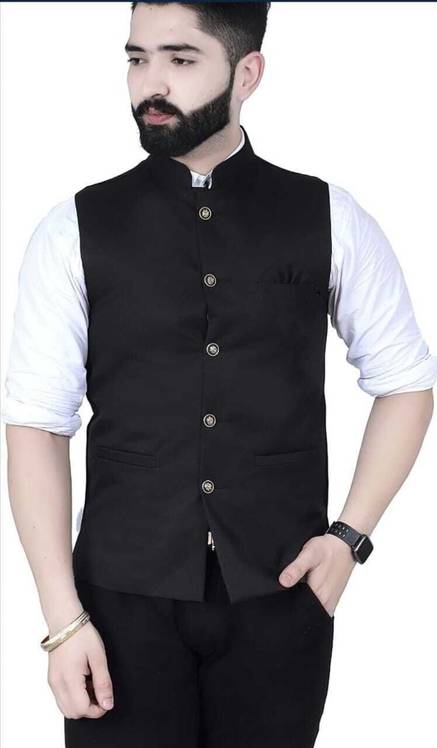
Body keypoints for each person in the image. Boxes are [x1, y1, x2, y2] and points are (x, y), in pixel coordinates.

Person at [2, 3, 436, 747]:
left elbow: (405, 382)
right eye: (136, 59)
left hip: (282, 594)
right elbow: (37, 426)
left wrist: (349, 539)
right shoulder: (73, 227)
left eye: (180, 59)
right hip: (117, 605)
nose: (151, 83)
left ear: (247, 73)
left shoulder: (329, 217)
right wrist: (62, 620)